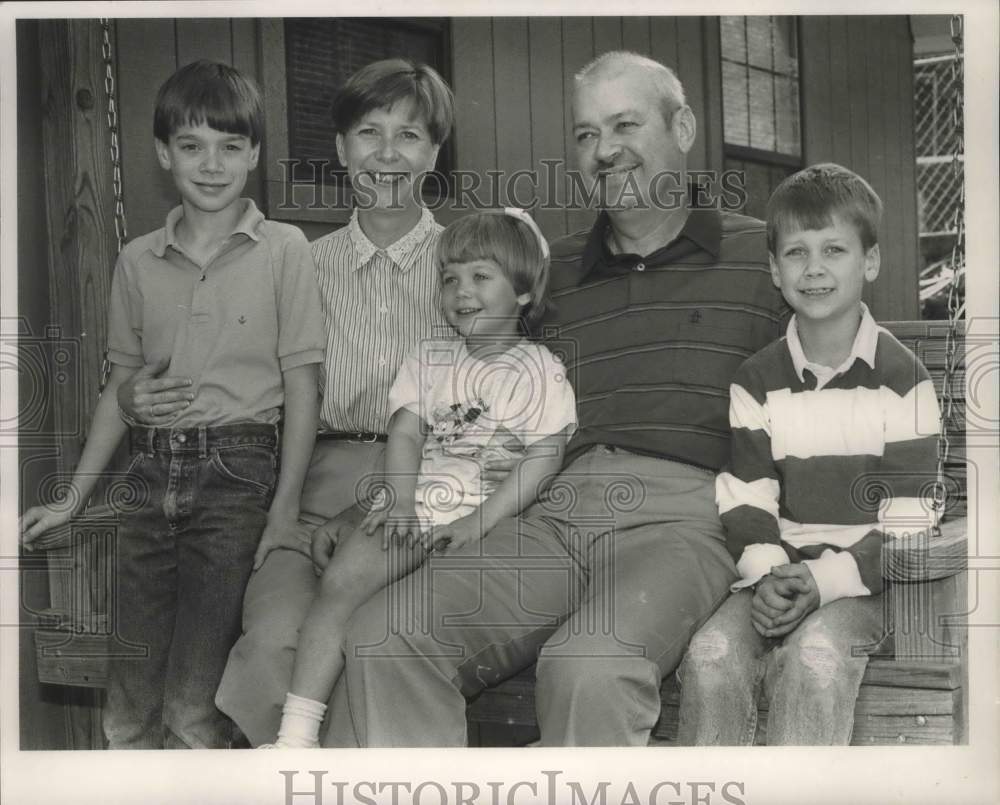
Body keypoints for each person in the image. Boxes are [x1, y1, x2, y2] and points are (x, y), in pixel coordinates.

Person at [318, 51, 788, 748]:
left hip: (681, 522)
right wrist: (380, 501)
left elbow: (829, 397)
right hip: (550, 513)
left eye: (625, 124)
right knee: (386, 634)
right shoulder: (549, 271)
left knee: (587, 665)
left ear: (682, 126)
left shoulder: (763, 260)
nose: (604, 150)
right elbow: (472, 401)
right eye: (586, 134)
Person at [117, 59, 457, 747]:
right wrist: (133, 395)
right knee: (275, 638)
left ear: (435, 153)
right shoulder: (296, 259)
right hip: (307, 483)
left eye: (410, 135)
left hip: (433, 488)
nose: (388, 153)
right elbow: (195, 358)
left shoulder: (470, 261)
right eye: (368, 132)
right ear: (339, 149)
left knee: (378, 638)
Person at [19, 60, 325, 749]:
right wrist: (72, 497)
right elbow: (118, 392)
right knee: (128, 712)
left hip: (238, 480)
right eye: (192, 146)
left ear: (253, 153)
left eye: (229, 146)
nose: (210, 165)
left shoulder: (284, 251)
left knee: (193, 709)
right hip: (146, 479)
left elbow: (303, 387)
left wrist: (283, 508)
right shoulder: (136, 260)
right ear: (163, 154)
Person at [264, 210, 576, 747]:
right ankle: (297, 736)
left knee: (393, 618)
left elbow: (543, 457)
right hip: (421, 507)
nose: (461, 291)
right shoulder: (430, 361)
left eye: (481, 277)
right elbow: (405, 435)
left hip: (491, 522)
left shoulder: (541, 369)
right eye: (450, 278)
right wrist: (401, 500)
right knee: (342, 584)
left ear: (524, 292)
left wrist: (481, 520)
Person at [675, 163, 941, 745]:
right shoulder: (757, 380)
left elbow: (909, 521)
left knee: (816, 658)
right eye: (796, 252)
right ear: (774, 269)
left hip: (867, 587)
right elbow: (746, 496)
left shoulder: (903, 381)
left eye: (834, 250)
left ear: (869, 261)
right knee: (712, 653)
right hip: (775, 576)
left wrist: (822, 581)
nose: (814, 268)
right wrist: (770, 578)